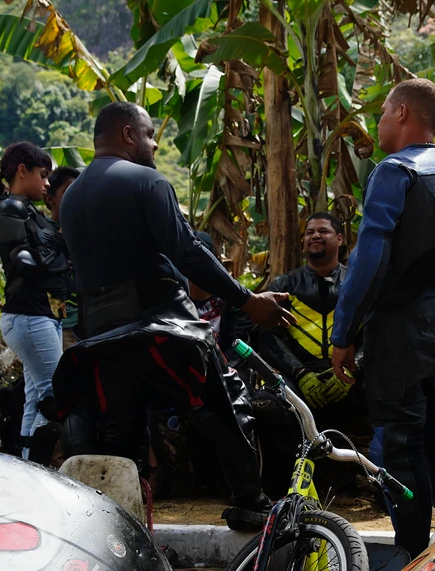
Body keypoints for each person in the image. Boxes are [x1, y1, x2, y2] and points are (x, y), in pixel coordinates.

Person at [53, 101, 294, 529]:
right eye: (148, 134)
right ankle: (250, 500)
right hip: (160, 320)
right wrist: (248, 300)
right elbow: (188, 251)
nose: (155, 141)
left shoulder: (69, 197)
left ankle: (114, 522)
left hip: (101, 330)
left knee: (120, 430)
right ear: (128, 134)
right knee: (222, 398)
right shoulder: (145, 181)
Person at [330, 78, 435, 556]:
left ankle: (412, 558)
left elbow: (370, 258)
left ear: (403, 113)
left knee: (402, 442)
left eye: (383, 111)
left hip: (402, 326)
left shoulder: (394, 170)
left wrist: (344, 332)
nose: (379, 122)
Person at [0, 142, 70, 463]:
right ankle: (37, 468)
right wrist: (59, 257)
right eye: (43, 175)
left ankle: (29, 467)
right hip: (29, 315)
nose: (47, 183)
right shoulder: (10, 208)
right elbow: (21, 262)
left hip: (37, 315)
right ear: (22, 171)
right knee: (52, 395)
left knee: (36, 396)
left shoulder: (25, 210)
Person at [258, 212, 359, 414]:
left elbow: (377, 332)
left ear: (339, 239)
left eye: (323, 231)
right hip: (300, 376)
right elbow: (268, 336)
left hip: (353, 375)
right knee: (266, 403)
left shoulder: (358, 282)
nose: (314, 236)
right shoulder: (285, 284)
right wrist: (301, 373)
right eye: (309, 232)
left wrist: (354, 367)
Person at [44, 165, 82, 346]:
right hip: (60, 324)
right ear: (50, 199)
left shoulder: (85, 232)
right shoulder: (42, 232)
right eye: (68, 191)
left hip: (87, 322)